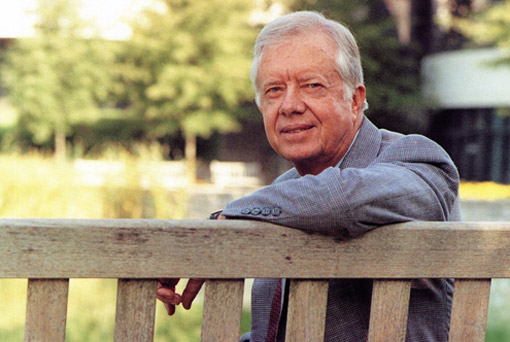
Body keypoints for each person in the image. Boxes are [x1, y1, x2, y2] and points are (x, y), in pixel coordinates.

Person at [157, 11, 460, 342]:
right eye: (273, 90)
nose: (289, 105)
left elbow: (343, 201)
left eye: (312, 85)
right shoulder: (284, 195)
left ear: (356, 100)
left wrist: (225, 220)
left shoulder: (416, 159)